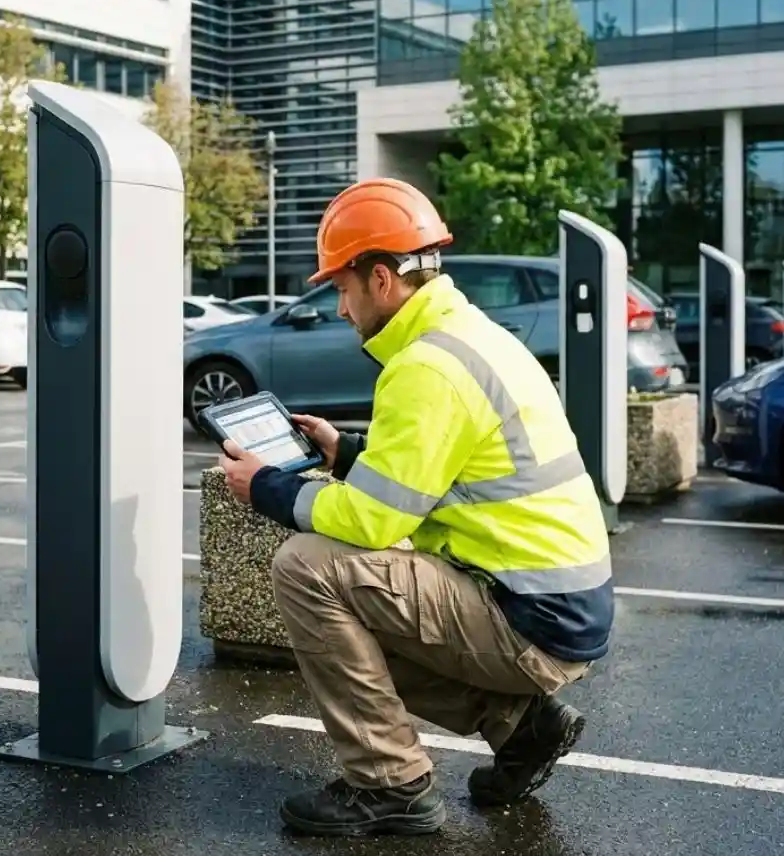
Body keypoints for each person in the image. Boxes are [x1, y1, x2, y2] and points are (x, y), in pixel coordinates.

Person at [218, 178, 614, 838]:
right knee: (365, 604)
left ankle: (388, 783)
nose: (340, 307)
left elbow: (374, 520)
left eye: (341, 287)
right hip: (560, 605)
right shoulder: (471, 337)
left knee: (307, 570)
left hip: (531, 619)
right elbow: (436, 471)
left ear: (380, 278)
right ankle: (520, 726)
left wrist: (266, 487)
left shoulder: (425, 367)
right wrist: (343, 453)